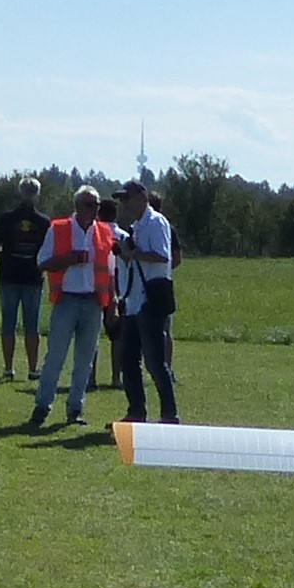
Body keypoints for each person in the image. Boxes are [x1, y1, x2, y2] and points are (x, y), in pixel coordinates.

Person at [28, 184, 114, 430]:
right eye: (89, 204)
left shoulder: (105, 232)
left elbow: (110, 271)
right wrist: (68, 260)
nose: (94, 209)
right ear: (77, 205)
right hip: (66, 299)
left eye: (97, 205)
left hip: (93, 301)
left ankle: (75, 408)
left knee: (85, 360)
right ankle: (42, 406)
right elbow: (41, 262)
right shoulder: (59, 228)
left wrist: (112, 303)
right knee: (55, 356)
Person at [115, 176, 178, 424]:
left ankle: (169, 415)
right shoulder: (136, 226)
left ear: (142, 197)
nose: (125, 204)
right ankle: (136, 412)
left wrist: (132, 253)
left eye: (128, 199)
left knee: (155, 362)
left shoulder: (156, 222)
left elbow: (162, 256)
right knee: (128, 360)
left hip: (151, 299)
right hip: (134, 300)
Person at [0, 177, 50, 381]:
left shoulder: (7, 219)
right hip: (33, 276)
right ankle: (33, 369)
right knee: (32, 324)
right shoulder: (43, 222)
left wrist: (8, 258)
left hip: (9, 275)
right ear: (37, 195)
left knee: (9, 322)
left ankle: (8, 368)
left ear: (20, 193)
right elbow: (48, 251)